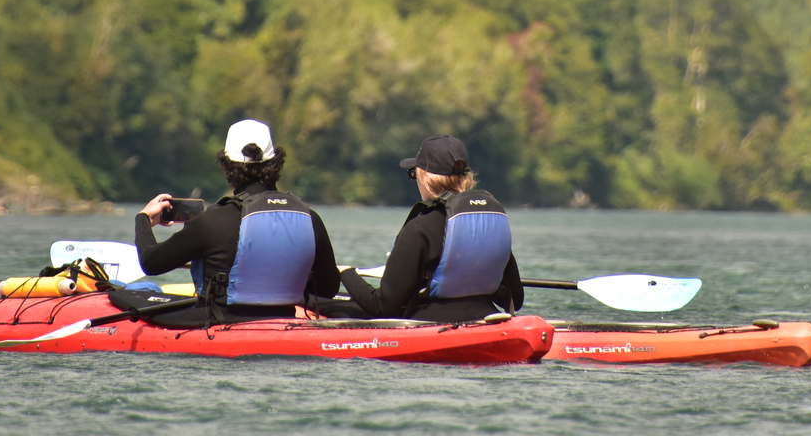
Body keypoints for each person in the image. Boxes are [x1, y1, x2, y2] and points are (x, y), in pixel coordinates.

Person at [133, 119, 340, 325]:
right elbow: (328, 289)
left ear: (225, 167)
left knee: (141, 291)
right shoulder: (310, 218)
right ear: (275, 162)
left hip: (219, 321)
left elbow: (151, 262)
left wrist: (143, 218)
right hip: (283, 318)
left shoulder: (212, 222)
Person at [336, 134, 523, 322]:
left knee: (329, 305)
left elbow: (382, 306)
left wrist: (346, 273)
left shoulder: (420, 227)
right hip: (488, 317)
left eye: (414, 174)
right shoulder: (491, 225)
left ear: (426, 177)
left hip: (431, 324)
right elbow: (517, 298)